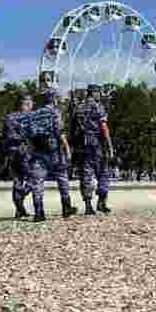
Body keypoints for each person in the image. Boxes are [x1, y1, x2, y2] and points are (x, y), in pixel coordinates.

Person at [25, 88, 78, 222]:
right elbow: (60, 132)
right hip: (54, 151)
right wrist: (67, 150)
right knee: (62, 178)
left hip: (38, 152)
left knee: (38, 183)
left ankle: (39, 212)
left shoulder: (33, 114)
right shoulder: (55, 112)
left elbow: (29, 135)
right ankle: (66, 207)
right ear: (52, 98)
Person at [71, 85, 114, 215]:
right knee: (104, 173)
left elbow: (72, 129)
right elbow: (104, 127)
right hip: (97, 144)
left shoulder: (78, 107)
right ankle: (101, 202)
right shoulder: (98, 107)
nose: (100, 95)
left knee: (86, 175)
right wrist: (110, 145)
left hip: (82, 146)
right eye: (98, 92)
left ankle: (88, 205)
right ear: (93, 93)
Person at [3, 93, 34, 218]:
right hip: (25, 151)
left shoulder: (9, 117)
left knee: (17, 180)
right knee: (34, 177)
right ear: (27, 104)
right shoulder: (31, 117)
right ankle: (22, 195)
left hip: (11, 152)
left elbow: (6, 136)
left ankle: (19, 209)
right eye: (31, 104)